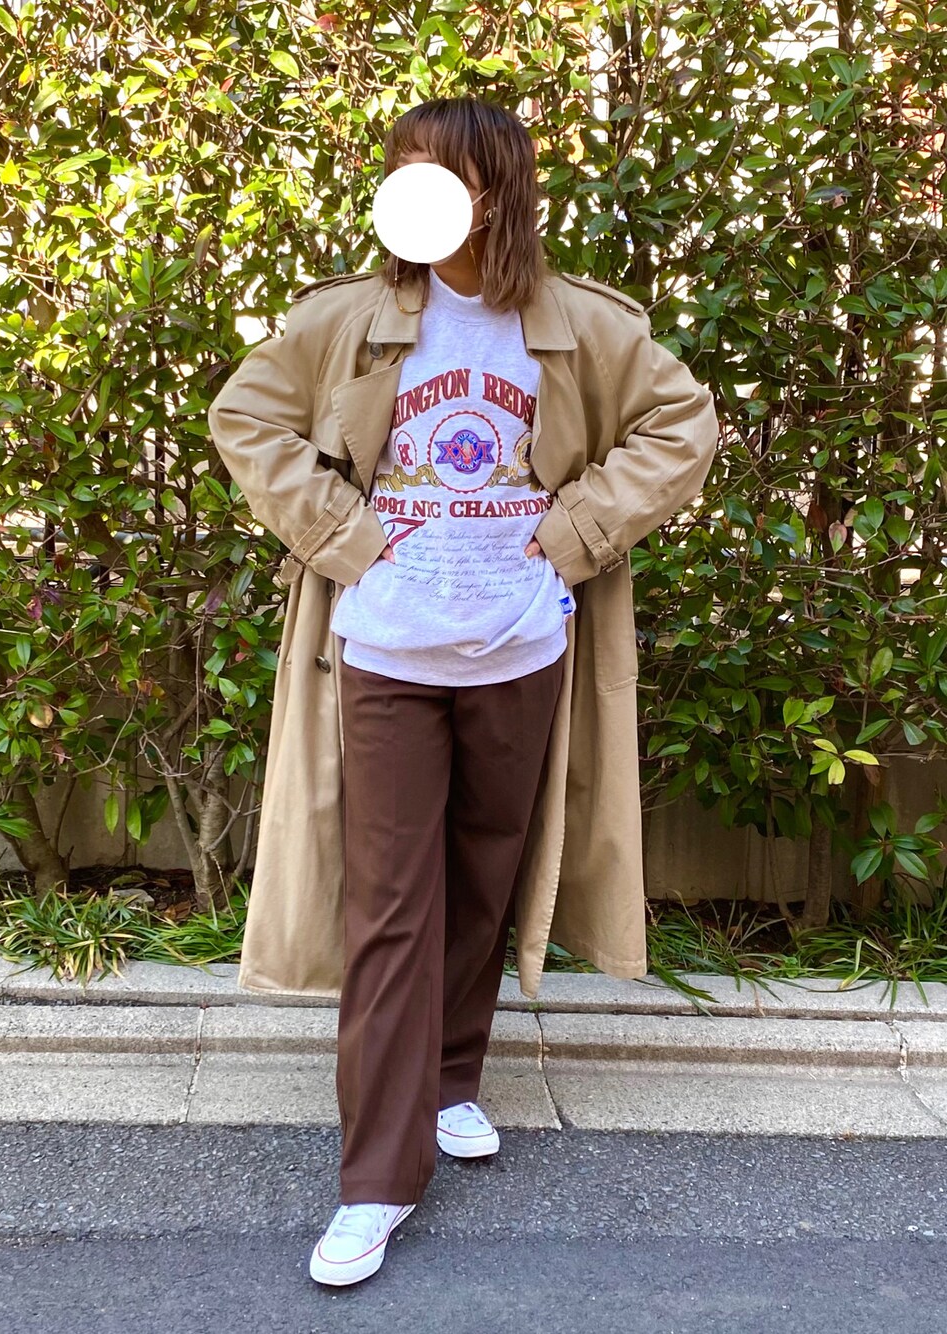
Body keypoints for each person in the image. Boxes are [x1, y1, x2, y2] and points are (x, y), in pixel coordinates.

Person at [207, 95, 719, 1288]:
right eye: (401, 169)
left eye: (440, 172)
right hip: (387, 653)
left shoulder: (581, 326)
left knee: (485, 875)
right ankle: (376, 1178)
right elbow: (247, 416)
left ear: (498, 191)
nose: (414, 191)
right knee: (392, 902)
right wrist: (347, 535)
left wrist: (573, 533)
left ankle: (446, 1079)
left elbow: (681, 423)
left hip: (520, 648)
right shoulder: (348, 319)